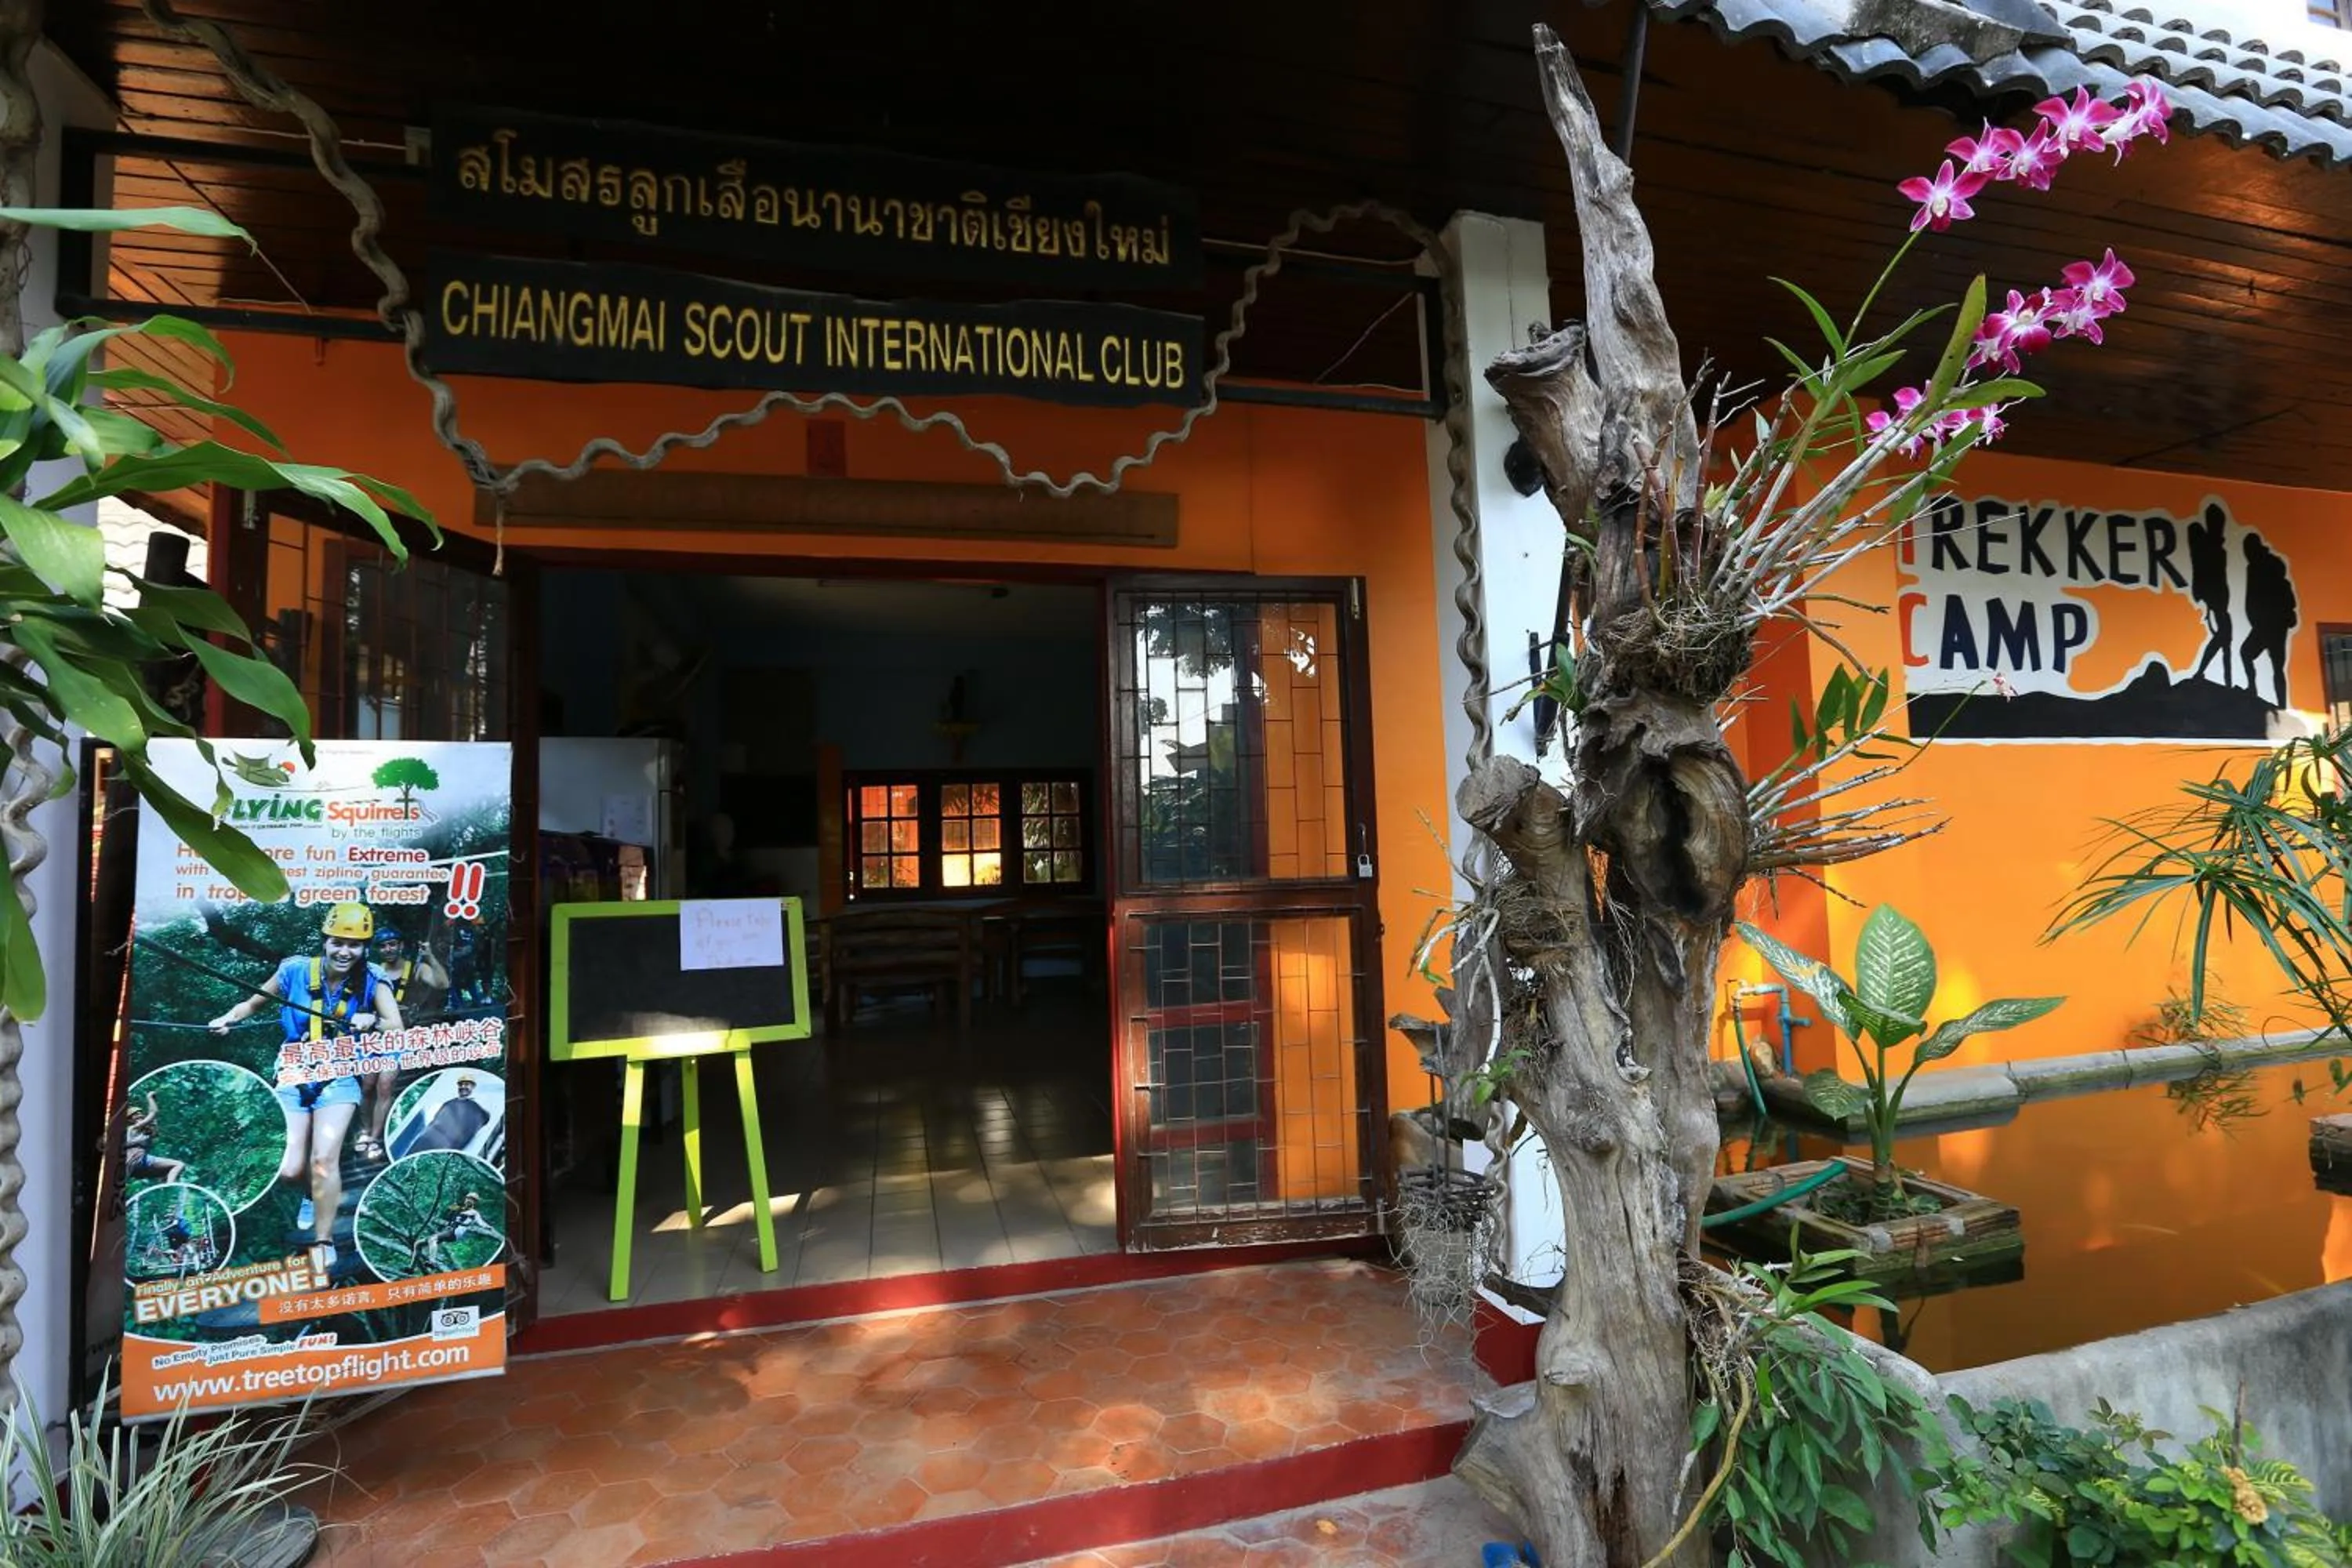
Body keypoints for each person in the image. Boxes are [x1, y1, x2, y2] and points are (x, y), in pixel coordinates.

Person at [209, 902, 404, 1253]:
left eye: (354, 945)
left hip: (339, 1075)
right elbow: (253, 1004)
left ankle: (324, 1241)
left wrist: (372, 1020)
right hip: (294, 1071)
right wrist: (228, 1018)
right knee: (288, 1169)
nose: (345, 952)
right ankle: (311, 1195)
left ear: (364, 948)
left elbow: (396, 1026)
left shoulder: (373, 978)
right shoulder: (294, 971)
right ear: (325, 941)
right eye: (338, 942)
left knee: (324, 1160)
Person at [359, 925, 448, 1160]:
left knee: (385, 1084)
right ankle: (365, 1131)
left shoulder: (416, 969)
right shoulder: (373, 972)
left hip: (400, 1037)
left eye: (392, 944)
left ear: (400, 946)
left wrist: (430, 956)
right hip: (374, 1035)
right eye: (383, 946)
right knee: (367, 1084)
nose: (388, 949)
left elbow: (442, 984)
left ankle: (375, 1138)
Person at [408, 1190, 499, 1273]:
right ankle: (411, 1269)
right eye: (468, 1198)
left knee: (433, 1239)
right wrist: (452, 1204)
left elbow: (480, 1222)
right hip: (448, 1230)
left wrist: (487, 1227)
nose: (469, 1200)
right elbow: (447, 1209)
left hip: (455, 1232)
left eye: (472, 1200)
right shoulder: (459, 1207)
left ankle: (432, 1262)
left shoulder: (474, 1213)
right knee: (418, 1244)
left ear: (475, 1203)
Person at [408, 1074, 492, 1154]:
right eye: (461, 1085)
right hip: (426, 1138)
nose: (463, 1087)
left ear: (473, 1087)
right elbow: (435, 1120)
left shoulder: (475, 1109)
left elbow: (484, 1118)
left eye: (467, 1084)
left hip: (444, 1146)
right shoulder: (448, 1103)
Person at [123, 1091, 187, 1185]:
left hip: (139, 1163)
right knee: (179, 1165)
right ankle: (169, 1186)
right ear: (130, 1120)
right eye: (136, 1115)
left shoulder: (142, 1132)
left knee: (169, 1170)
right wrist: (150, 1098)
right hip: (136, 1160)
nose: (140, 1115)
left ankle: (166, 1187)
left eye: (141, 1113)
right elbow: (153, 1113)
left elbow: (153, 1126)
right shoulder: (133, 1128)